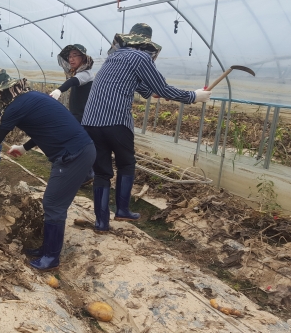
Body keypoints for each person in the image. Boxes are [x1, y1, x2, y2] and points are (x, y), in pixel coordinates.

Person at [81, 23, 212, 233]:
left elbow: (141, 86)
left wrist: (153, 92)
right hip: (115, 121)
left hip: (91, 122)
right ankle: (122, 209)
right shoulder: (141, 57)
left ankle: (101, 223)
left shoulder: (114, 56)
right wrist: (194, 97)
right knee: (126, 164)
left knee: (102, 173)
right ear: (146, 44)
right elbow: (162, 87)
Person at [0, 72, 95, 271]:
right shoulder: (29, 98)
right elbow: (43, 128)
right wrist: (24, 147)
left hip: (74, 155)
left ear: (1, 94)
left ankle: (51, 257)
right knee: (52, 203)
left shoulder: (15, 106)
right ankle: (46, 249)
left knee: (53, 204)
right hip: (76, 150)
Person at [49, 44, 96, 186]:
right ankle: (86, 175)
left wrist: (58, 90)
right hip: (77, 116)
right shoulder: (77, 73)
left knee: (75, 145)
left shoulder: (86, 74)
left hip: (84, 117)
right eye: (69, 56)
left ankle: (83, 174)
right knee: (79, 146)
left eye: (75, 55)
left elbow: (72, 82)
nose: (71, 58)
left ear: (84, 57)